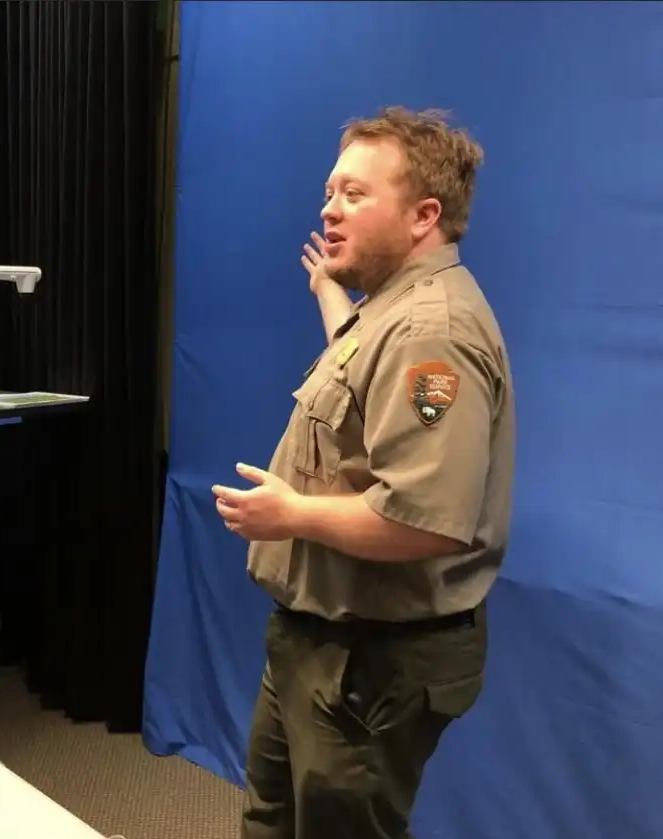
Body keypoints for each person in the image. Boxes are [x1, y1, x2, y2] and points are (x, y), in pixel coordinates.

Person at [212, 107, 516, 839]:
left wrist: (291, 517)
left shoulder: (429, 331)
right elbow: (358, 365)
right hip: (320, 642)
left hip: (368, 662)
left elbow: (424, 521)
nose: (328, 206)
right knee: (272, 819)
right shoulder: (389, 313)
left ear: (423, 215)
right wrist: (327, 291)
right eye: (328, 191)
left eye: (353, 193)